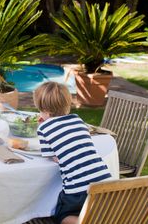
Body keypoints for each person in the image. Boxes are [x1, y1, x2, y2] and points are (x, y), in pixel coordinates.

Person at [34, 82, 112, 224]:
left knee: (61, 216)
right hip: (104, 181)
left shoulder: (43, 128)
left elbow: (51, 156)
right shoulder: (78, 120)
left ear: (44, 109)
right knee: (92, 209)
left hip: (77, 188)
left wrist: (42, 126)